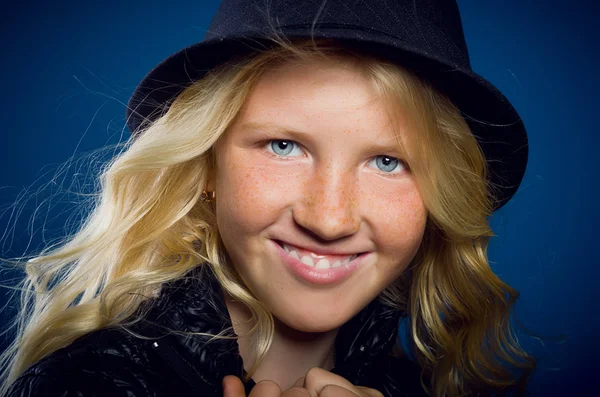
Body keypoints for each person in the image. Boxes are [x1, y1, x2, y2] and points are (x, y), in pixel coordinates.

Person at [0, 0, 537, 396]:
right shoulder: (84, 385)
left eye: (387, 162)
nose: (329, 219)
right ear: (206, 164)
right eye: (284, 146)